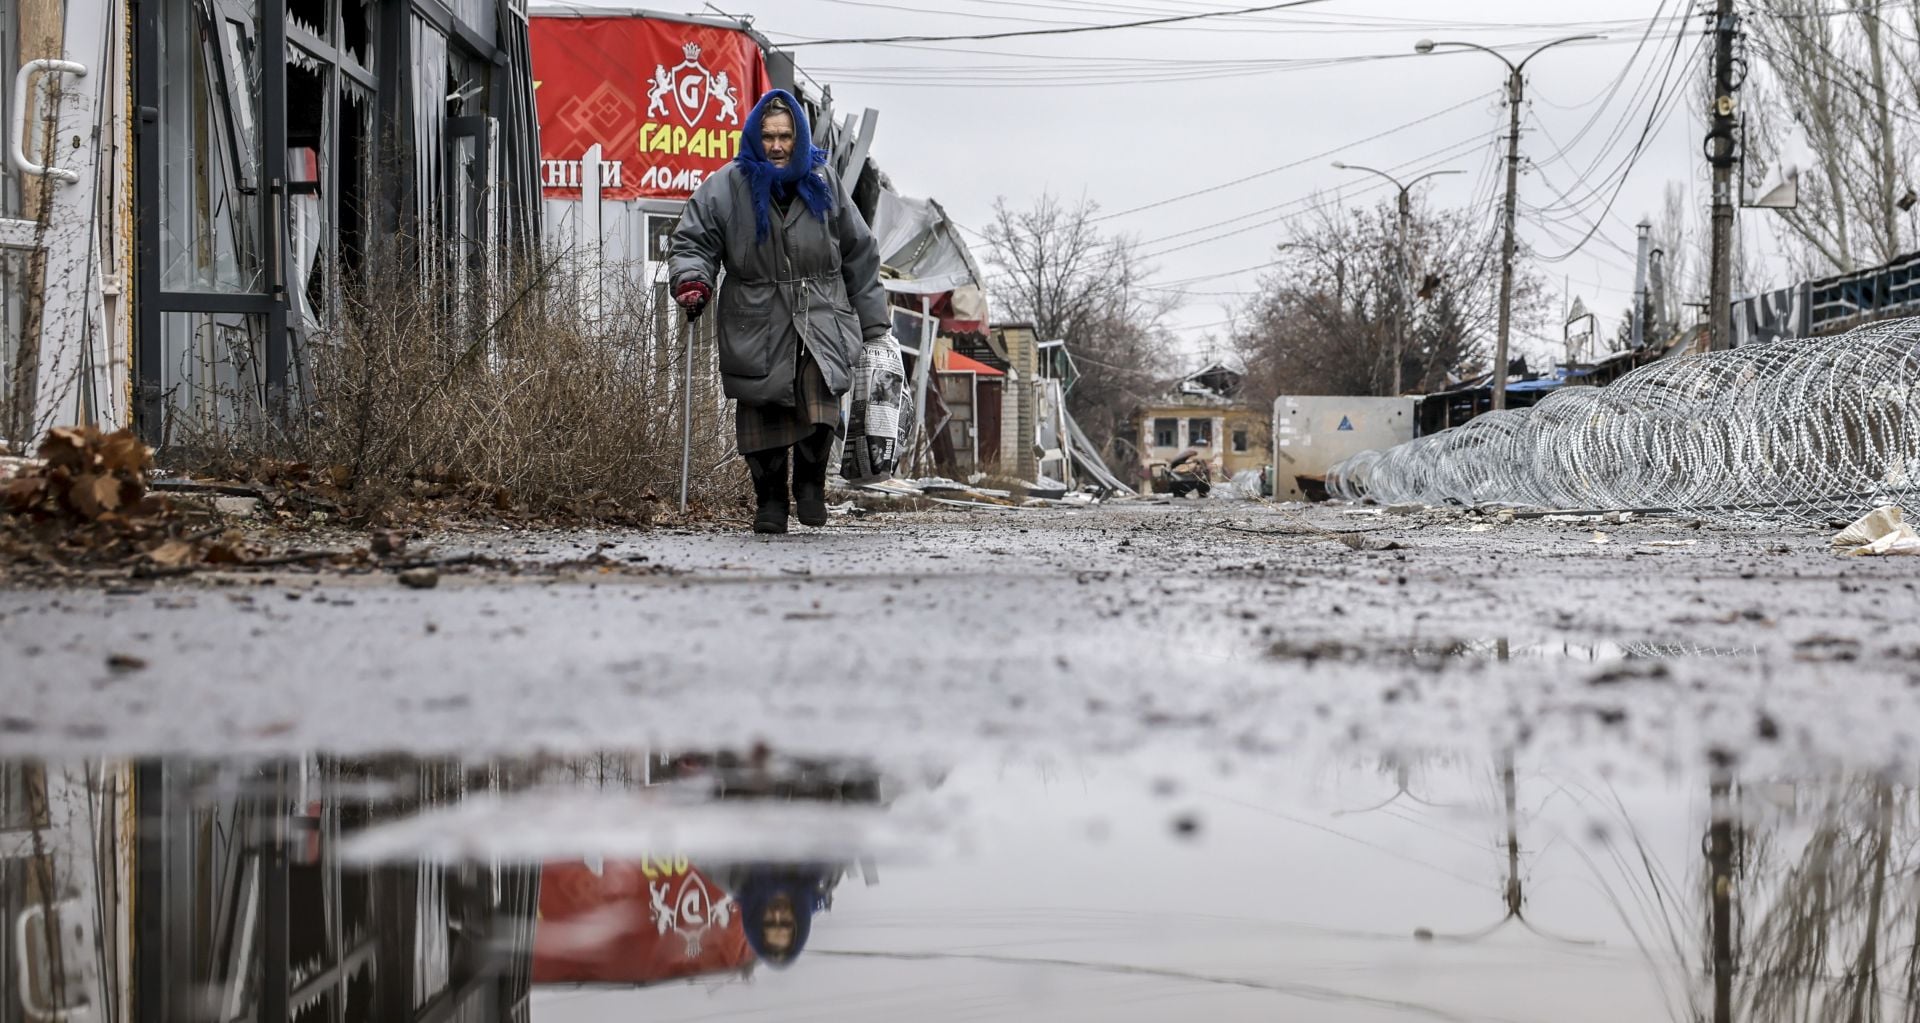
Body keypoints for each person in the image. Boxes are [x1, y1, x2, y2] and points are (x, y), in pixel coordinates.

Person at [669, 89, 892, 534]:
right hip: (757, 315)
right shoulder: (727, 185)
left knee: (820, 402)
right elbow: (693, 241)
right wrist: (693, 279)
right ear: (755, 136)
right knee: (763, 410)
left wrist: (873, 323)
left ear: (799, 137)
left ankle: (810, 485)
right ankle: (769, 499)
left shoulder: (822, 182)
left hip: (820, 313)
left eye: (785, 136)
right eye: (768, 136)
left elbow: (858, 252)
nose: (776, 145)